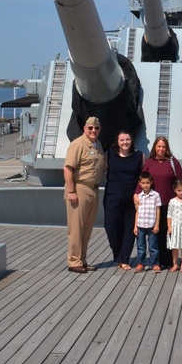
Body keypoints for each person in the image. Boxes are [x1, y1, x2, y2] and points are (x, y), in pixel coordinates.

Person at [64, 116, 107, 273]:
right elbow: (68, 169)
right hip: (80, 188)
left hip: (93, 190)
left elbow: (102, 166)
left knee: (87, 228)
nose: (93, 131)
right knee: (76, 228)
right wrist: (71, 191)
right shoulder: (77, 145)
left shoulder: (98, 145)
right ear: (84, 129)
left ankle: (82, 259)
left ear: (100, 129)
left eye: (96, 128)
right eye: (90, 128)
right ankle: (73, 261)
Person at [139, 136, 182, 269]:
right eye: (159, 146)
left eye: (163, 146)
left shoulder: (173, 162)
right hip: (153, 202)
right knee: (155, 232)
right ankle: (155, 260)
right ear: (154, 147)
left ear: (167, 148)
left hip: (170, 203)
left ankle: (168, 260)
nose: (161, 149)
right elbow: (142, 180)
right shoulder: (149, 162)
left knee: (168, 232)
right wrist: (137, 195)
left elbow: (180, 181)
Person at [103, 130, 143, 270]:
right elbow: (98, 170)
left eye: (127, 139)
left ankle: (124, 258)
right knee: (111, 226)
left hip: (131, 196)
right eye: (122, 140)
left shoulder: (139, 155)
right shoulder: (109, 155)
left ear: (131, 141)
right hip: (113, 195)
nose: (125, 142)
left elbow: (143, 176)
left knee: (129, 228)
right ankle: (117, 254)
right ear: (117, 142)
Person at [133, 171, 161, 272]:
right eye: (143, 183)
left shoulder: (156, 195)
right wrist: (135, 226)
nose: (145, 185)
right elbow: (137, 212)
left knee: (153, 246)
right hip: (140, 225)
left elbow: (158, 210)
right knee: (141, 246)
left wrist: (157, 224)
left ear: (151, 182)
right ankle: (141, 263)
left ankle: (155, 263)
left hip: (152, 225)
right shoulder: (139, 196)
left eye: (147, 183)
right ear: (139, 183)